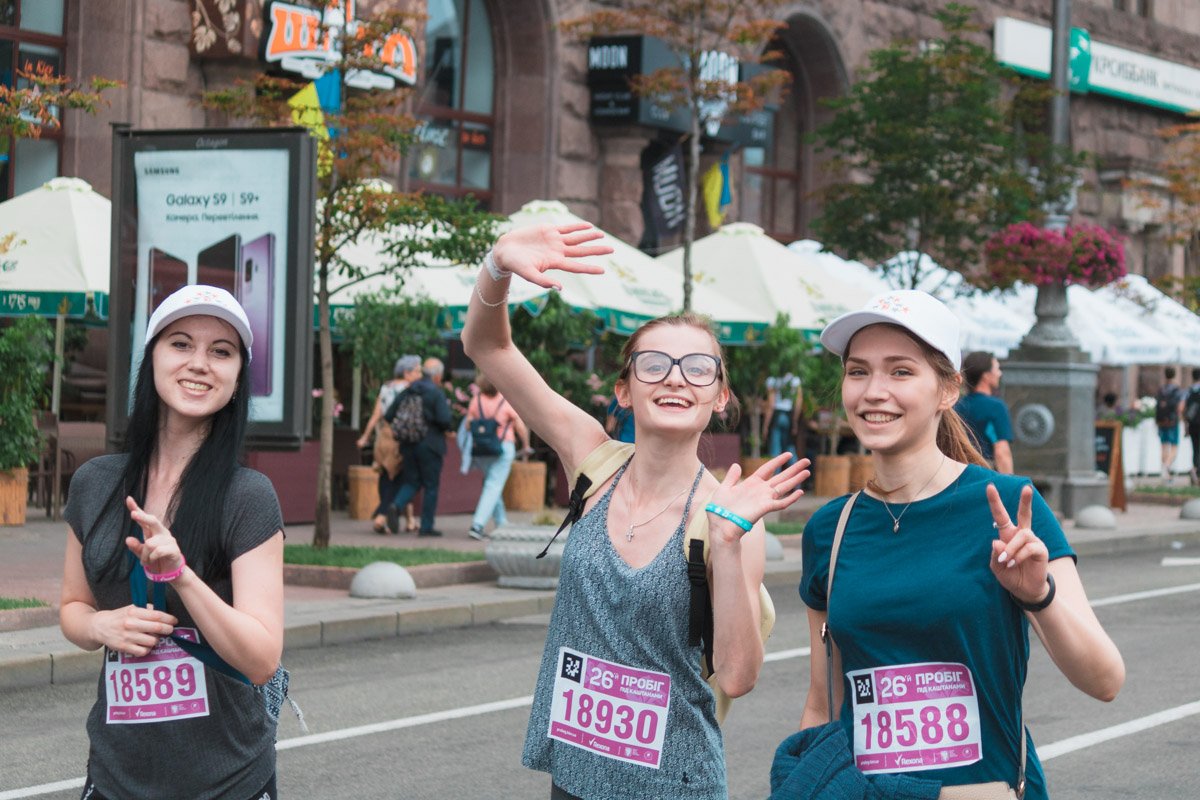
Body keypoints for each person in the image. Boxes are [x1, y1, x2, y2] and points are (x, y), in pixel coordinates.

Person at [462, 222, 810, 800]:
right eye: (653, 364)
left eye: (698, 368)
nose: (675, 378)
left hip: (674, 784)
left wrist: (727, 543)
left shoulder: (727, 515)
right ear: (624, 390)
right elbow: (488, 347)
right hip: (573, 777)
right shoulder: (592, 461)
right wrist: (497, 267)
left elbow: (737, 676)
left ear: (719, 398)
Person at [792, 290, 1124, 799]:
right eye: (858, 372)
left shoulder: (1009, 507)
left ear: (947, 390)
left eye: (901, 371)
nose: (874, 391)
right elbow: (823, 704)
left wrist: (1039, 595)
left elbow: (1105, 680)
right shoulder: (829, 530)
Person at [59, 285, 286, 800]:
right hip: (114, 774)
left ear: (237, 377)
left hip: (229, 780)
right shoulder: (95, 483)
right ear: (153, 358)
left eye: (221, 352)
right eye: (180, 344)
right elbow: (73, 606)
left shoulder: (248, 496)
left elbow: (261, 660)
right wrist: (99, 625)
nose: (199, 363)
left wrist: (181, 576)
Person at [387, 357, 454, 536]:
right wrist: (444, 428)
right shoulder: (435, 393)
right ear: (437, 376)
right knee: (431, 486)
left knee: (412, 481)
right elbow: (444, 420)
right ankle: (426, 527)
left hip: (408, 444)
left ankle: (396, 505)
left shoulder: (409, 390)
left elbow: (389, 414)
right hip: (430, 445)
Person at [356, 355, 421, 534]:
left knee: (386, 475)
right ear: (406, 373)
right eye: (417, 371)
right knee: (403, 478)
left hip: (383, 438)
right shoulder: (410, 389)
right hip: (400, 437)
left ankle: (409, 520)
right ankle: (382, 515)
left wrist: (365, 437)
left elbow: (376, 415)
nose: (420, 375)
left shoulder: (386, 387)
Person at [464, 371, 533, 540]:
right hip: (503, 447)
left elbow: (467, 425)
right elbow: (519, 426)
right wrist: (526, 445)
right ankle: (477, 525)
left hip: (482, 450)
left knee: (492, 483)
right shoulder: (505, 401)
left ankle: (501, 523)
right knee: (493, 485)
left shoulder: (476, 400)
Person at [954, 350, 1014, 474]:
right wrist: (1009, 482)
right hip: (986, 474)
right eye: (997, 369)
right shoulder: (995, 407)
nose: (1000, 373)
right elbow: (1001, 452)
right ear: (986, 375)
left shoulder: (957, 407)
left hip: (959, 473)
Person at [762, 372, 803, 464]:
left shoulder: (772, 379)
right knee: (789, 447)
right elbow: (798, 402)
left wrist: (765, 425)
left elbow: (771, 404)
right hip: (788, 415)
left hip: (777, 415)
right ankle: (797, 471)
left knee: (775, 450)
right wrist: (795, 421)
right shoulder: (795, 379)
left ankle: (776, 473)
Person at [1156, 366, 1186, 485]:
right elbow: (1180, 407)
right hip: (1173, 421)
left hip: (1161, 421)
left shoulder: (1161, 389)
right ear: (1174, 375)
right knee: (1174, 446)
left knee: (1164, 446)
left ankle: (1165, 472)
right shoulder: (1177, 390)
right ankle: (1167, 466)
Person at [1186, 368, 1200, 486]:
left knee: (1195, 449)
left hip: (1192, 424)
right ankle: (1197, 473)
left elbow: (1184, 408)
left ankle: (1195, 470)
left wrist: (1186, 425)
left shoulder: (1189, 391)